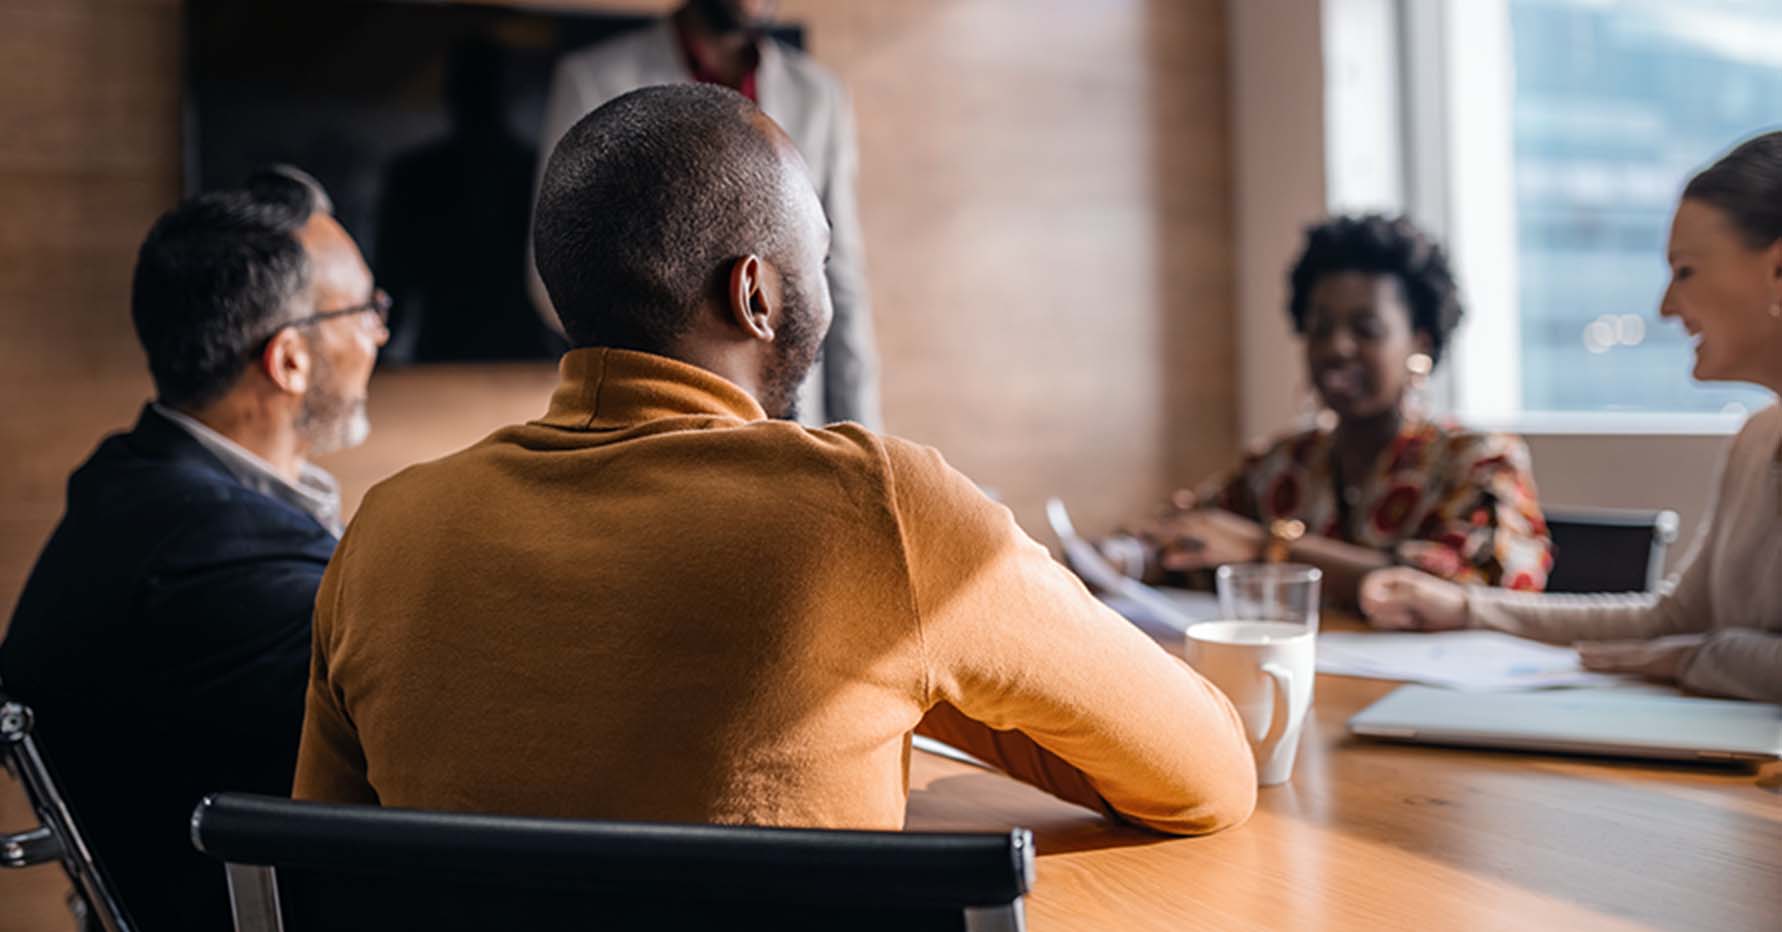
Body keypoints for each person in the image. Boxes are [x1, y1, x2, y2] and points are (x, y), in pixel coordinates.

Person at [294, 85, 1258, 838]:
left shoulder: (384, 534)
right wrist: (933, 677)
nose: (827, 298)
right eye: (819, 263)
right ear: (756, 294)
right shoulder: (880, 515)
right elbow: (1209, 775)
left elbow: (319, 866)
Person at [0, 167, 388, 931]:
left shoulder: (128, 482)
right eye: (365, 309)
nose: (381, 330)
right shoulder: (227, 565)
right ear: (288, 361)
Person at [1361, 133, 1782, 705]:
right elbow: (1670, 619)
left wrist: (1689, 657)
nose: (1664, 307)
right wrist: (1464, 608)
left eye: (1684, 272)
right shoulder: (1757, 440)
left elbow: (1680, 640)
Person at [1109, 215, 1552, 607]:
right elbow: (1192, 537)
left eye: (1366, 329)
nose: (1337, 347)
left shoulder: (1478, 462)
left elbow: (1481, 593)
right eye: (1320, 329)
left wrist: (1268, 548)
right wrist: (1124, 557)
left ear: (1421, 342)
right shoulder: (1281, 465)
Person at [529, 0, 880, 428]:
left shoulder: (817, 95)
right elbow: (558, 264)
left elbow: (841, 280)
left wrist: (863, 435)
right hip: (650, 420)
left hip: (794, 422)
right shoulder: (595, 79)